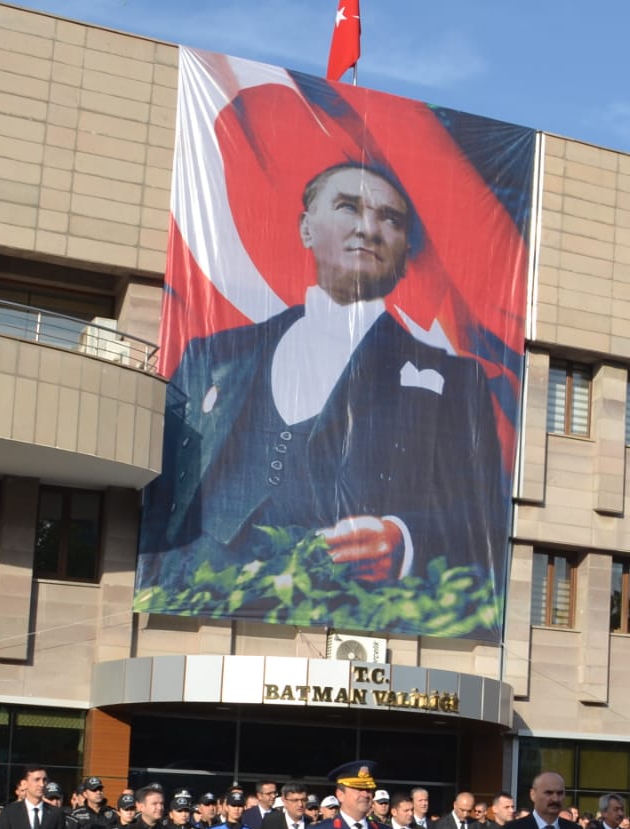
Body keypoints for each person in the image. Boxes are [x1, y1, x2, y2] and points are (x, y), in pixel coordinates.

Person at [143, 161, 508, 596]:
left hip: (349, 604)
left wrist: (404, 539)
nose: (368, 229)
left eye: (390, 219)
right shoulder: (214, 355)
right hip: (198, 596)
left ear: (406, 254)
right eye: (348, 207)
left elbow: (482, 516)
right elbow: (161, 481)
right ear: (306, 228)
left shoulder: (456, 381)